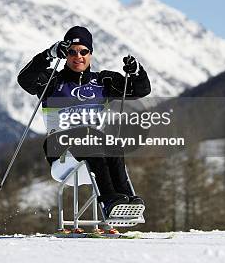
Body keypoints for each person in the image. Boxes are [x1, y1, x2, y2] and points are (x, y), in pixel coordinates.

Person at [17, 25, 151, 219]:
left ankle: (125, 200)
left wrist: (137, 72)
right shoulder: (52, 82)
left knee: (112, 145)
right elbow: (25, 79)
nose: (77, 56)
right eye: (71, 52)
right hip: (63, 155)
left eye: (83, 51)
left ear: (91, 54)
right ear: (65, 54)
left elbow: (141, 90)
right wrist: (49, 54)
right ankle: (109, 201)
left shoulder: (103, 82)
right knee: (90, 137)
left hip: (97, 157)